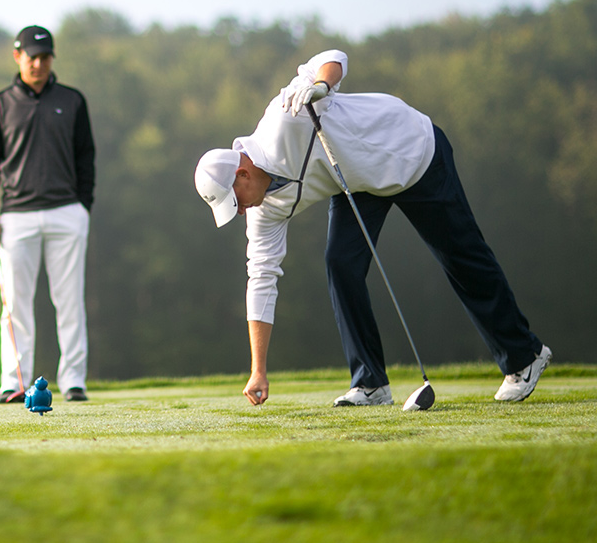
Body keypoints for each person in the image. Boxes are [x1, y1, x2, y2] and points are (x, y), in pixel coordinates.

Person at [194, 49, 551, 408]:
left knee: (462, 257)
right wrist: (258, 369)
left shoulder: (283, 119)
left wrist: (320, 84)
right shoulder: (262, 210)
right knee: (341, 264)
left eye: (235, 201)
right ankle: (370, 383)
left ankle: (525, 357)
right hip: (357, 182)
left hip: (410, 151)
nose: (239, 212)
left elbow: (333, 57)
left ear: (242, 174)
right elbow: (261, 278)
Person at [0, 25, 96, 403]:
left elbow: (86, 157)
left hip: (67, 212)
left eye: (45, 57)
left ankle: (74, 381)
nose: (39, 63)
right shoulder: (0, 104)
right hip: (15, 216)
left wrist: (83, 206)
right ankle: (13, 382)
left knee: (70, 300)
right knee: (15, 305)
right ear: (17, 56)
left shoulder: (72, 100)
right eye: (32, 56)